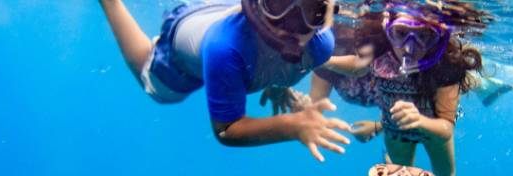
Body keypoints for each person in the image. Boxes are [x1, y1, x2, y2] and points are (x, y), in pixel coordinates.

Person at [310, 2, 501, 176]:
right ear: (387, 28)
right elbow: (357, 66)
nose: (410, 47)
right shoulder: (380, 49)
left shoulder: (446, 64)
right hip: (396, 131)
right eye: (401, 34)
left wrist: (420, 121)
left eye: (425, 36)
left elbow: (446, 128)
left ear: (439, 36)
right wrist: (323, 60)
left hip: (433, 131)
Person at [98, 0, 360, 162]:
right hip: (185, 48)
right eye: (281, 4)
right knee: (158, 89)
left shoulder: (320, 44)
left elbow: (289, 54)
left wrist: (279, 84)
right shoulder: (223, 48)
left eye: (313, 10)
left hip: (223, 10)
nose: (291, 26)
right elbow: (226, 129)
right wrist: (292, 125)